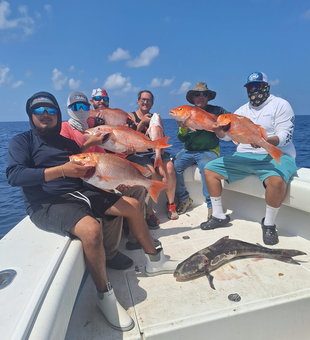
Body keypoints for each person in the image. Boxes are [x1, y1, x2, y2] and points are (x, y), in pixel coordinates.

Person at [6, 91, 178, 332]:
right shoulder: (22, 142)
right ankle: (104, 296)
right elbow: (14, 176)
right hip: (47, 202)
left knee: (134, 206)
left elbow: (89, 171)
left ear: (57, 114)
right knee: (91, 229)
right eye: (38, 111)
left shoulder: (67, 144)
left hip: (82, 191)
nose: (45, 115)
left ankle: (154, 261)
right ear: (30, 115)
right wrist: (61, 171)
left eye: (50, 111)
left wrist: (115, 182)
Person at [200, 72, 297, 246]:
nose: (254, 90)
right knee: (209, 169)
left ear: (266, 87)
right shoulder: (240, 111)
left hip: (275, 153)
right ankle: (218, 215)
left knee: (276, 182)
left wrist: (263, 141)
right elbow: (228, 138)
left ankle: (268, 224)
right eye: (250, 87)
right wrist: (217, 130)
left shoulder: (281, 105)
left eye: (258, 86)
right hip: (243, 155)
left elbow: (286, 136)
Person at [61, 90, 159, 252]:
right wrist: (88, 142)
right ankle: (111, 253)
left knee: (139, 191)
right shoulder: (66, 128)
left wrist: (129, 151)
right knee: (117, 197)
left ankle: (136, 238)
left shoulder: (95, 128)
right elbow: (66, 159)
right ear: (69, 109)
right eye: (76, 106)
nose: (80, 109)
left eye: (83, 106)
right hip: (84, 182)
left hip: (99, 176)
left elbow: (105, 157)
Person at [173, 82, 228, 218]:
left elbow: (230, 121)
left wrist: (221, 127)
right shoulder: (186, 114)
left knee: (207, 167)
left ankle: (211, 206)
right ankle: (184, 198)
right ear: (193, 98)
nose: (201, 97)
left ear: (208, 97)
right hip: (189, 150)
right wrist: (183, 127)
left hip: (209, 151)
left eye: (204, 94)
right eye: (197, 94)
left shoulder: (218, 111)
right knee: (174, 165)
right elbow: (181, 139)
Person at [127, 90, 179, 220]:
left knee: (170, 168)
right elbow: (129, 138)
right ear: (138, 101)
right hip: (139, 154)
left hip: (155, 152)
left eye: (148, 100)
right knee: (151, 172)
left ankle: (171, 205)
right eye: (143, 99)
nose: (145, 102)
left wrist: (160, 154)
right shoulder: (131, 117)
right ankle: (150, 211)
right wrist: (141, 124)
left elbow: (161, 137)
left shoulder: (155, 117)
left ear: (152, 103)